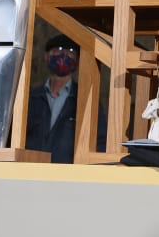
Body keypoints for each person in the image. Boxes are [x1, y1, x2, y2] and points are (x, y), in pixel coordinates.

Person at [25, 34, 105, 164]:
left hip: (68, 175)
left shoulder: (85, 99)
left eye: (71, 52)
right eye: (58, 50)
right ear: (46, 57)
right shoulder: (30, 97)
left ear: (78, 61)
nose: (64, 56)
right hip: (30, 172)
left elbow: (100, 140)